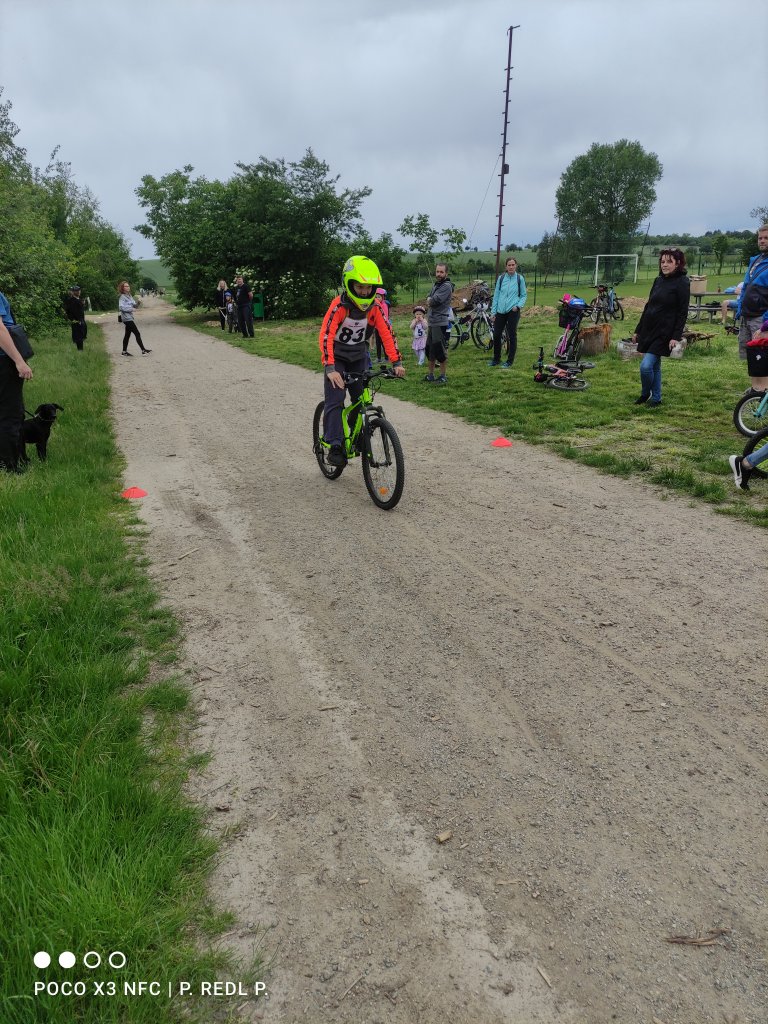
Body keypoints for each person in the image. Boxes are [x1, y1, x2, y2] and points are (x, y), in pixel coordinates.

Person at [319, 256, 404, 468]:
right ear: (349, 285)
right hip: (337, 359)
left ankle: (355, 432)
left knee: (361, 399)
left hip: (359, 357)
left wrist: (396, 362)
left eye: (368, 287)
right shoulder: (339, 306)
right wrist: (330, 367)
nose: (365, 292)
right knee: (336, 398)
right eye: (360, 287)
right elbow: (327, 335)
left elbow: (387, 333)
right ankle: (335, 445)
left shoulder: (375, 307)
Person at [632, 248, 689, 407]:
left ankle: (645, 393)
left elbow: (682, 312)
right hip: (649, 328)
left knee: (646, 366)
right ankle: (656, 398)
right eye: (662, 261)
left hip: (664, 332)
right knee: (655, 366)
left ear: (677, 263)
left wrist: (675, 336)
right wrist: (638, 329)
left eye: (669, 262)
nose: (664, 265)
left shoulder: (682, 282)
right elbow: (648, 306)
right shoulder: (658, 280)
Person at [0, 291, 34, 472]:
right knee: (10, 413)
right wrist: (19, 361)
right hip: (3, 360)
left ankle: (16, 457)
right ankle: (8, 464)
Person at [736, 225, 768, 395]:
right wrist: (740, 308)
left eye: (766, 238)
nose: (762, 241)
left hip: (761, 317)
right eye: (760, 238)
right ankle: (756, 388)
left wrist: (766, 323)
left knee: (763, 355)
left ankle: (763, 391)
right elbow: (745, 286)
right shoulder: (755, 260)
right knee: (752, 354)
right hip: (747, 315)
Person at [489, 256, 527, 368]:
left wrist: (518, 306)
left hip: (513, 311)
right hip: (500, 311)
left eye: (513, 265)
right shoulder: (501, 279)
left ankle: (509, 361)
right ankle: (496, 359)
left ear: (516, 266)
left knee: (512, 335)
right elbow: (496, 296)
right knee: (496, 335)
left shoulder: (519, 279)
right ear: (506, 266)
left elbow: (523, 295)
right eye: (509, 265)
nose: (511, 267)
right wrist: (493, 312)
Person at [424, 262, 453, 385]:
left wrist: (430, 300)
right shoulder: (437, 285)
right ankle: (430, 375)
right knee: (430, 350)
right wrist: (430, 299)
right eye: (437, 271)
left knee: (440, 350)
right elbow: (429, 297)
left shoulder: (446, 286)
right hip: (432, 321)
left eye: (441, 272)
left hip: (440, 322)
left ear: (446, 273)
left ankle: (442, 376)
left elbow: (434, 300)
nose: (439, 274)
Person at [118, 281, 151, 356]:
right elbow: (121, 308)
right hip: (126, 319)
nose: (128, 287)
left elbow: (135, 306)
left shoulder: (129, 296)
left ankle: (124, 352)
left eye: (128, 286)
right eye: (126, 286)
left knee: (127, 335)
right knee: (137, 333)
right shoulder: (122, 297)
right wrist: (131, 309)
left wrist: (138, 302)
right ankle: (143, 350)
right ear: (123, 288)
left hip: (130, 318)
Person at [63, 285, 87, 350]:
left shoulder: (79, 299)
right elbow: (71, 311)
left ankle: (80, 350)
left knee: (82, 335)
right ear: (73, 292)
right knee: (78, 337)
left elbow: (80, 310)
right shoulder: (71, 300)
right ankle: (80, 350)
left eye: (79, 290)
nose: (78, 292)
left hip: (81, 320)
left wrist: (82, 304)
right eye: (76, 291)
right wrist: (76, 320)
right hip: (76, 320)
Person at [372, 287, 390, 362]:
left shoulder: (384, 305)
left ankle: (386, 357)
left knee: (383, 342)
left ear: (383, 297)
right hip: (377, 327)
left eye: (379, 297)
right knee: (378, 342)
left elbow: (384, 316)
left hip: (383, 327)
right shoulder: (375, 305)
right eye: (375, 297)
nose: (377, 298)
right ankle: (379, 358)